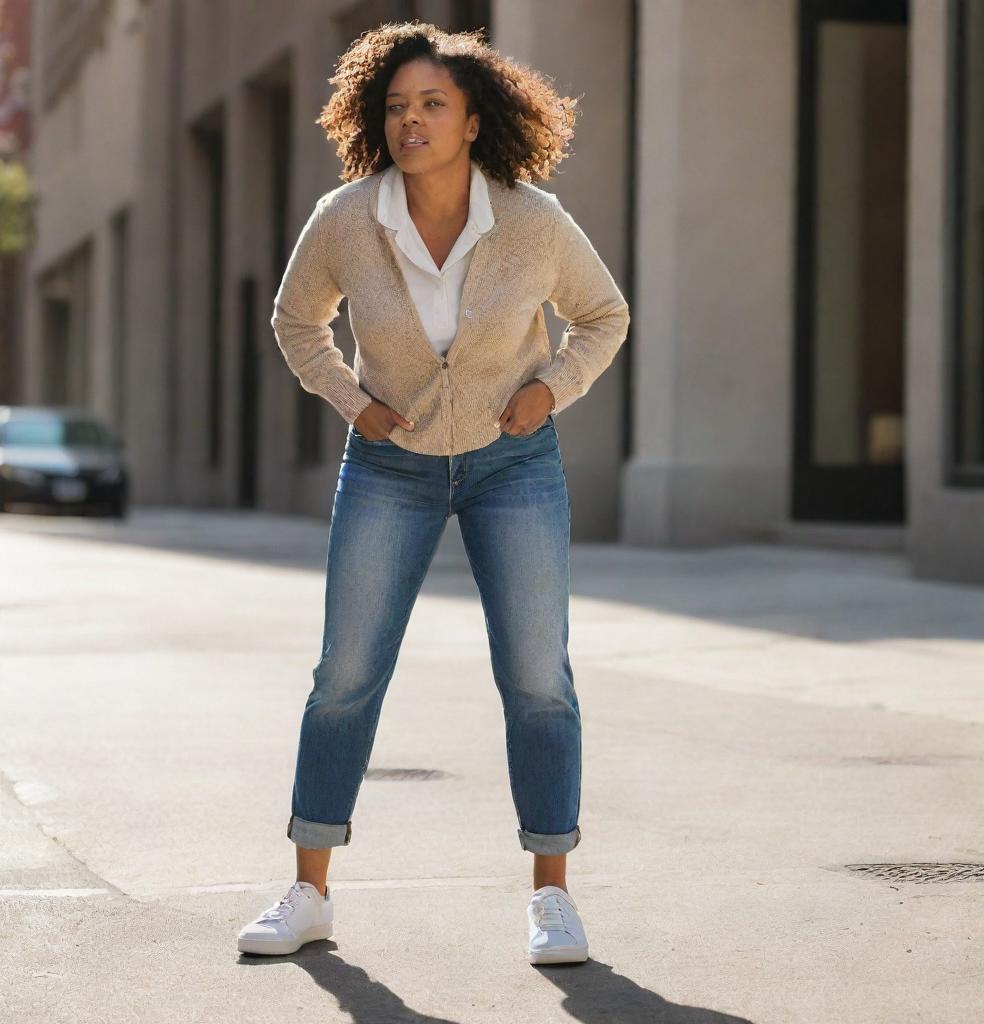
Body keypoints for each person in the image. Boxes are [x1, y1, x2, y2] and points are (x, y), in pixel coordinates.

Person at [237, 20, 629, 965]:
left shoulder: (532, 220)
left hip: (513, 467)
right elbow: (298, 323)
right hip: (390, 469)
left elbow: (603, 315)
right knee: (345, 677)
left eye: (433, 105)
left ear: (474, 119)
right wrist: (350, 400)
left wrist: (550, 390)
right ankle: (308, 889)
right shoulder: (346, 218)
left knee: (539, 679)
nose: (412, 121)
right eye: (398, 106)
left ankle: (551, 898)